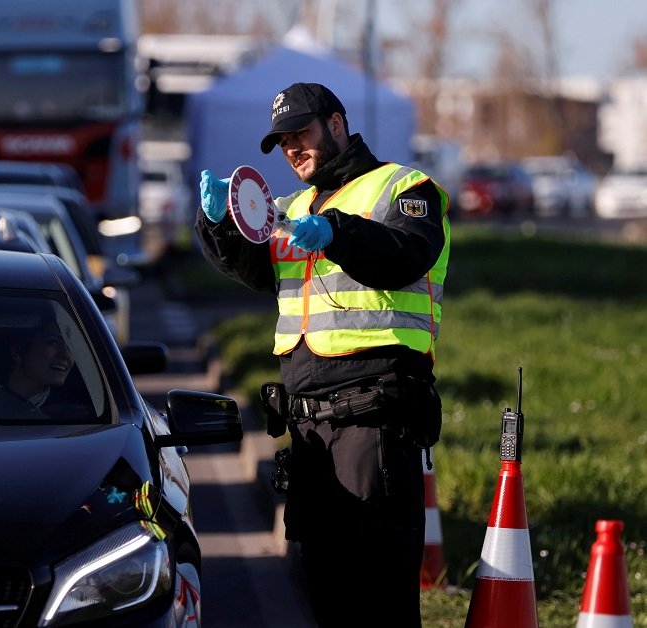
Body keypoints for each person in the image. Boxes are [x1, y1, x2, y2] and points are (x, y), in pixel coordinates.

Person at [196, 82, 450, 627]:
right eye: (283, 141)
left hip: (374, 421)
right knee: (329, 598)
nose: (293, 148)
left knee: (377, 600)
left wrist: (336, 232)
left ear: (337, 124)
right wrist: (218, 223)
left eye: (302, 133)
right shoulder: (292, 207)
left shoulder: (404, 187)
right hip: (310, 433)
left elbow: (403, 256)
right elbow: (257, 270)